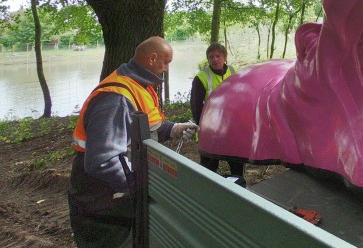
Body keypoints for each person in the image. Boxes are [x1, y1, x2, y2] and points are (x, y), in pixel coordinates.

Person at [68, 36, 197, 248]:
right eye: (166, 62)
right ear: (152, 58)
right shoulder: (116, 98)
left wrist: (173, 129)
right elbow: (104, 161)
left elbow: (147, 127)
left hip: (119, 201)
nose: (166, 69)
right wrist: (146, 186)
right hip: (102, 205)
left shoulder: (140, 87)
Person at [190, 42, 244, 178]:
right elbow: (196, 107)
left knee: (236, 164)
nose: (215, 59)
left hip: (231, 128)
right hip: (210, 129)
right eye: (211, 57)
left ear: (224, 57)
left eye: (218, 56)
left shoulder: (234, 72)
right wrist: (201, 128)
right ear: (207, 59)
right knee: (209, 168)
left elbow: (242, 97)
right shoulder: (201, 78)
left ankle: (238, 191)